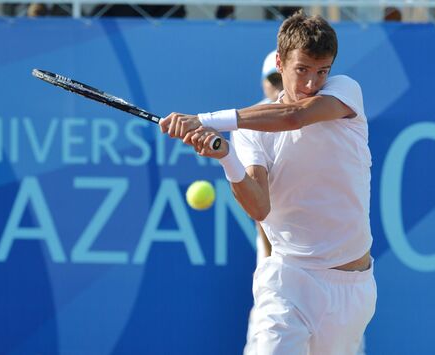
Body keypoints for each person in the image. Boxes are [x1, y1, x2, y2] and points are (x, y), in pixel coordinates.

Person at [160, 10, 376, 354]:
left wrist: (204, 120)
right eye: (301, 70)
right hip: (288, 280)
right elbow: (259, 206)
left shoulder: (344, 92)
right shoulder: (252, 131)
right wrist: (226, 158)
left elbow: (294, 116)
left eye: (322, 72)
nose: (311, 84)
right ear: (280, 62)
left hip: (353, 287)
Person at [242, 49, 282, 355]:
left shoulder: (322, 110)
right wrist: (271, 261)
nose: (279, 85)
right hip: (278, 264)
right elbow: (260, 204)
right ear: (264, 84)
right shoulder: (252, 122)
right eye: (273, 80)